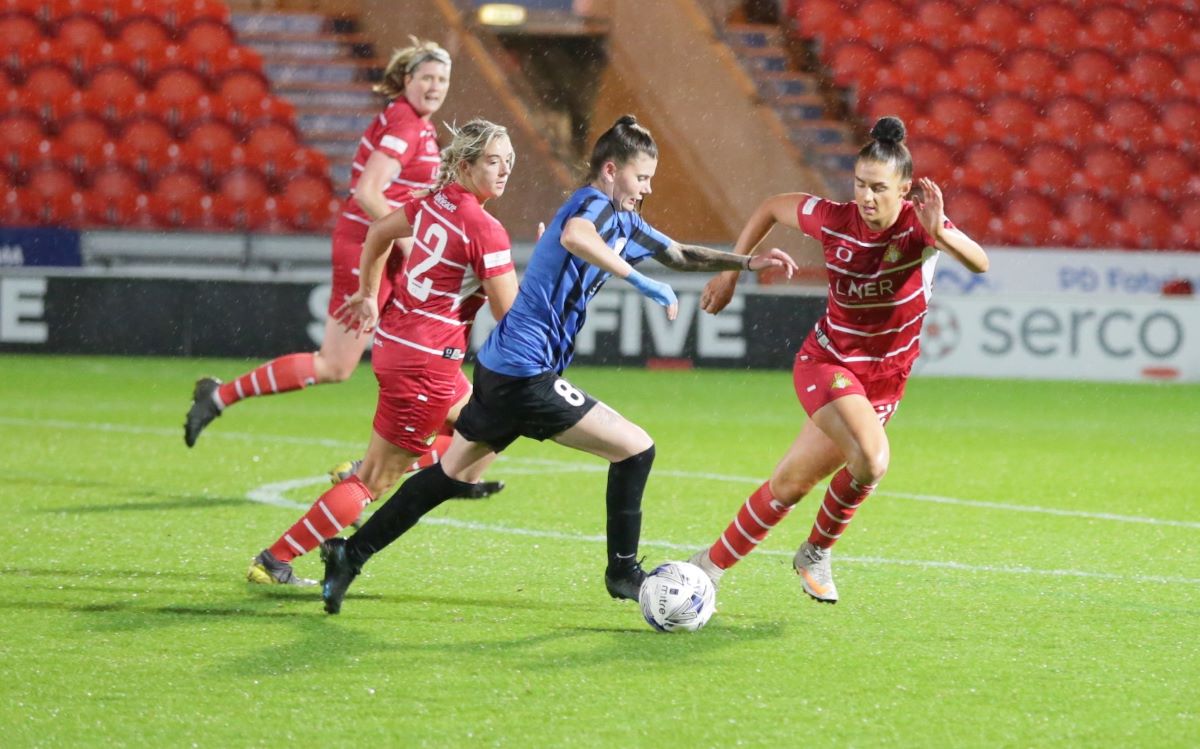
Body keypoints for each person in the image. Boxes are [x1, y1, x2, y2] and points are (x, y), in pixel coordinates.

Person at [318, 114, 799, 614]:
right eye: (641, 178)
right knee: (636, 450)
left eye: (651, 179)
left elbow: (677, 253)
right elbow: (574, 236)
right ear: (610, 171)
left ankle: (349, 553)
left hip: (502, 368)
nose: (646, 189)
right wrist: (639, 280)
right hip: (526, 373)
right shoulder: (591, 205)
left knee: (449, 475)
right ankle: (622, 572)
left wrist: (744, 263)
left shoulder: (625, 220)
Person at [687, 116, 989, 604]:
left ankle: (707, 567)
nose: (866, 198)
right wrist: (732, 271)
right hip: (828, 362)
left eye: (879, 189)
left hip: (884, 382)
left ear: (905, 189)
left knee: (790, 483)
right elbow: (769, 207)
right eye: (860, 186)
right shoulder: (832, 217)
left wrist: (943, 234)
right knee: (872, 460)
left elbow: (980, 262)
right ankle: (816, 551)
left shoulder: (921, 227)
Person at [246, 119, 519, 586]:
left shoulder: (433, 201)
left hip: (401, 343)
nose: (504, 170)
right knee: (374, 480)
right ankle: (275, 559)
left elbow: (377, 233)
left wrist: (370, 294)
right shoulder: (486, 228)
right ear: (466, 164)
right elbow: (511, 314)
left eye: (510, 162)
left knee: (490, 428)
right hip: (426, 361)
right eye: (493, 161)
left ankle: (411, 465)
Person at [184, 38, 454, 455]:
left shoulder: (416, 122)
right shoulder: (406, 124)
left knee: (429, 352)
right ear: (406, 79)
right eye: (427, 78)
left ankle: (452, 465)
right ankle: (219, 397)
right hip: (369, 247)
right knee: (336, 364)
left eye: (442, 79)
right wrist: (415, 244)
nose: (435, 86)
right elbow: (368, 191)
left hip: (387, 249)